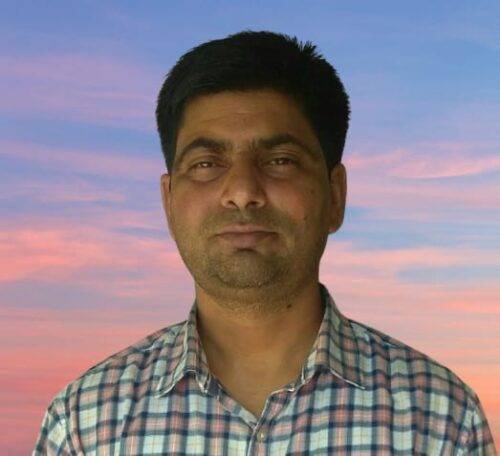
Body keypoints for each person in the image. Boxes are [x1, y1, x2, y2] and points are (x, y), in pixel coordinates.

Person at [33, 30, 496, 455]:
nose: (242, 191)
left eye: (279, 160)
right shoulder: (85, 424)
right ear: (168, 201)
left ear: (335, 195)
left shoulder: (439, 420)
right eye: (206, 163)